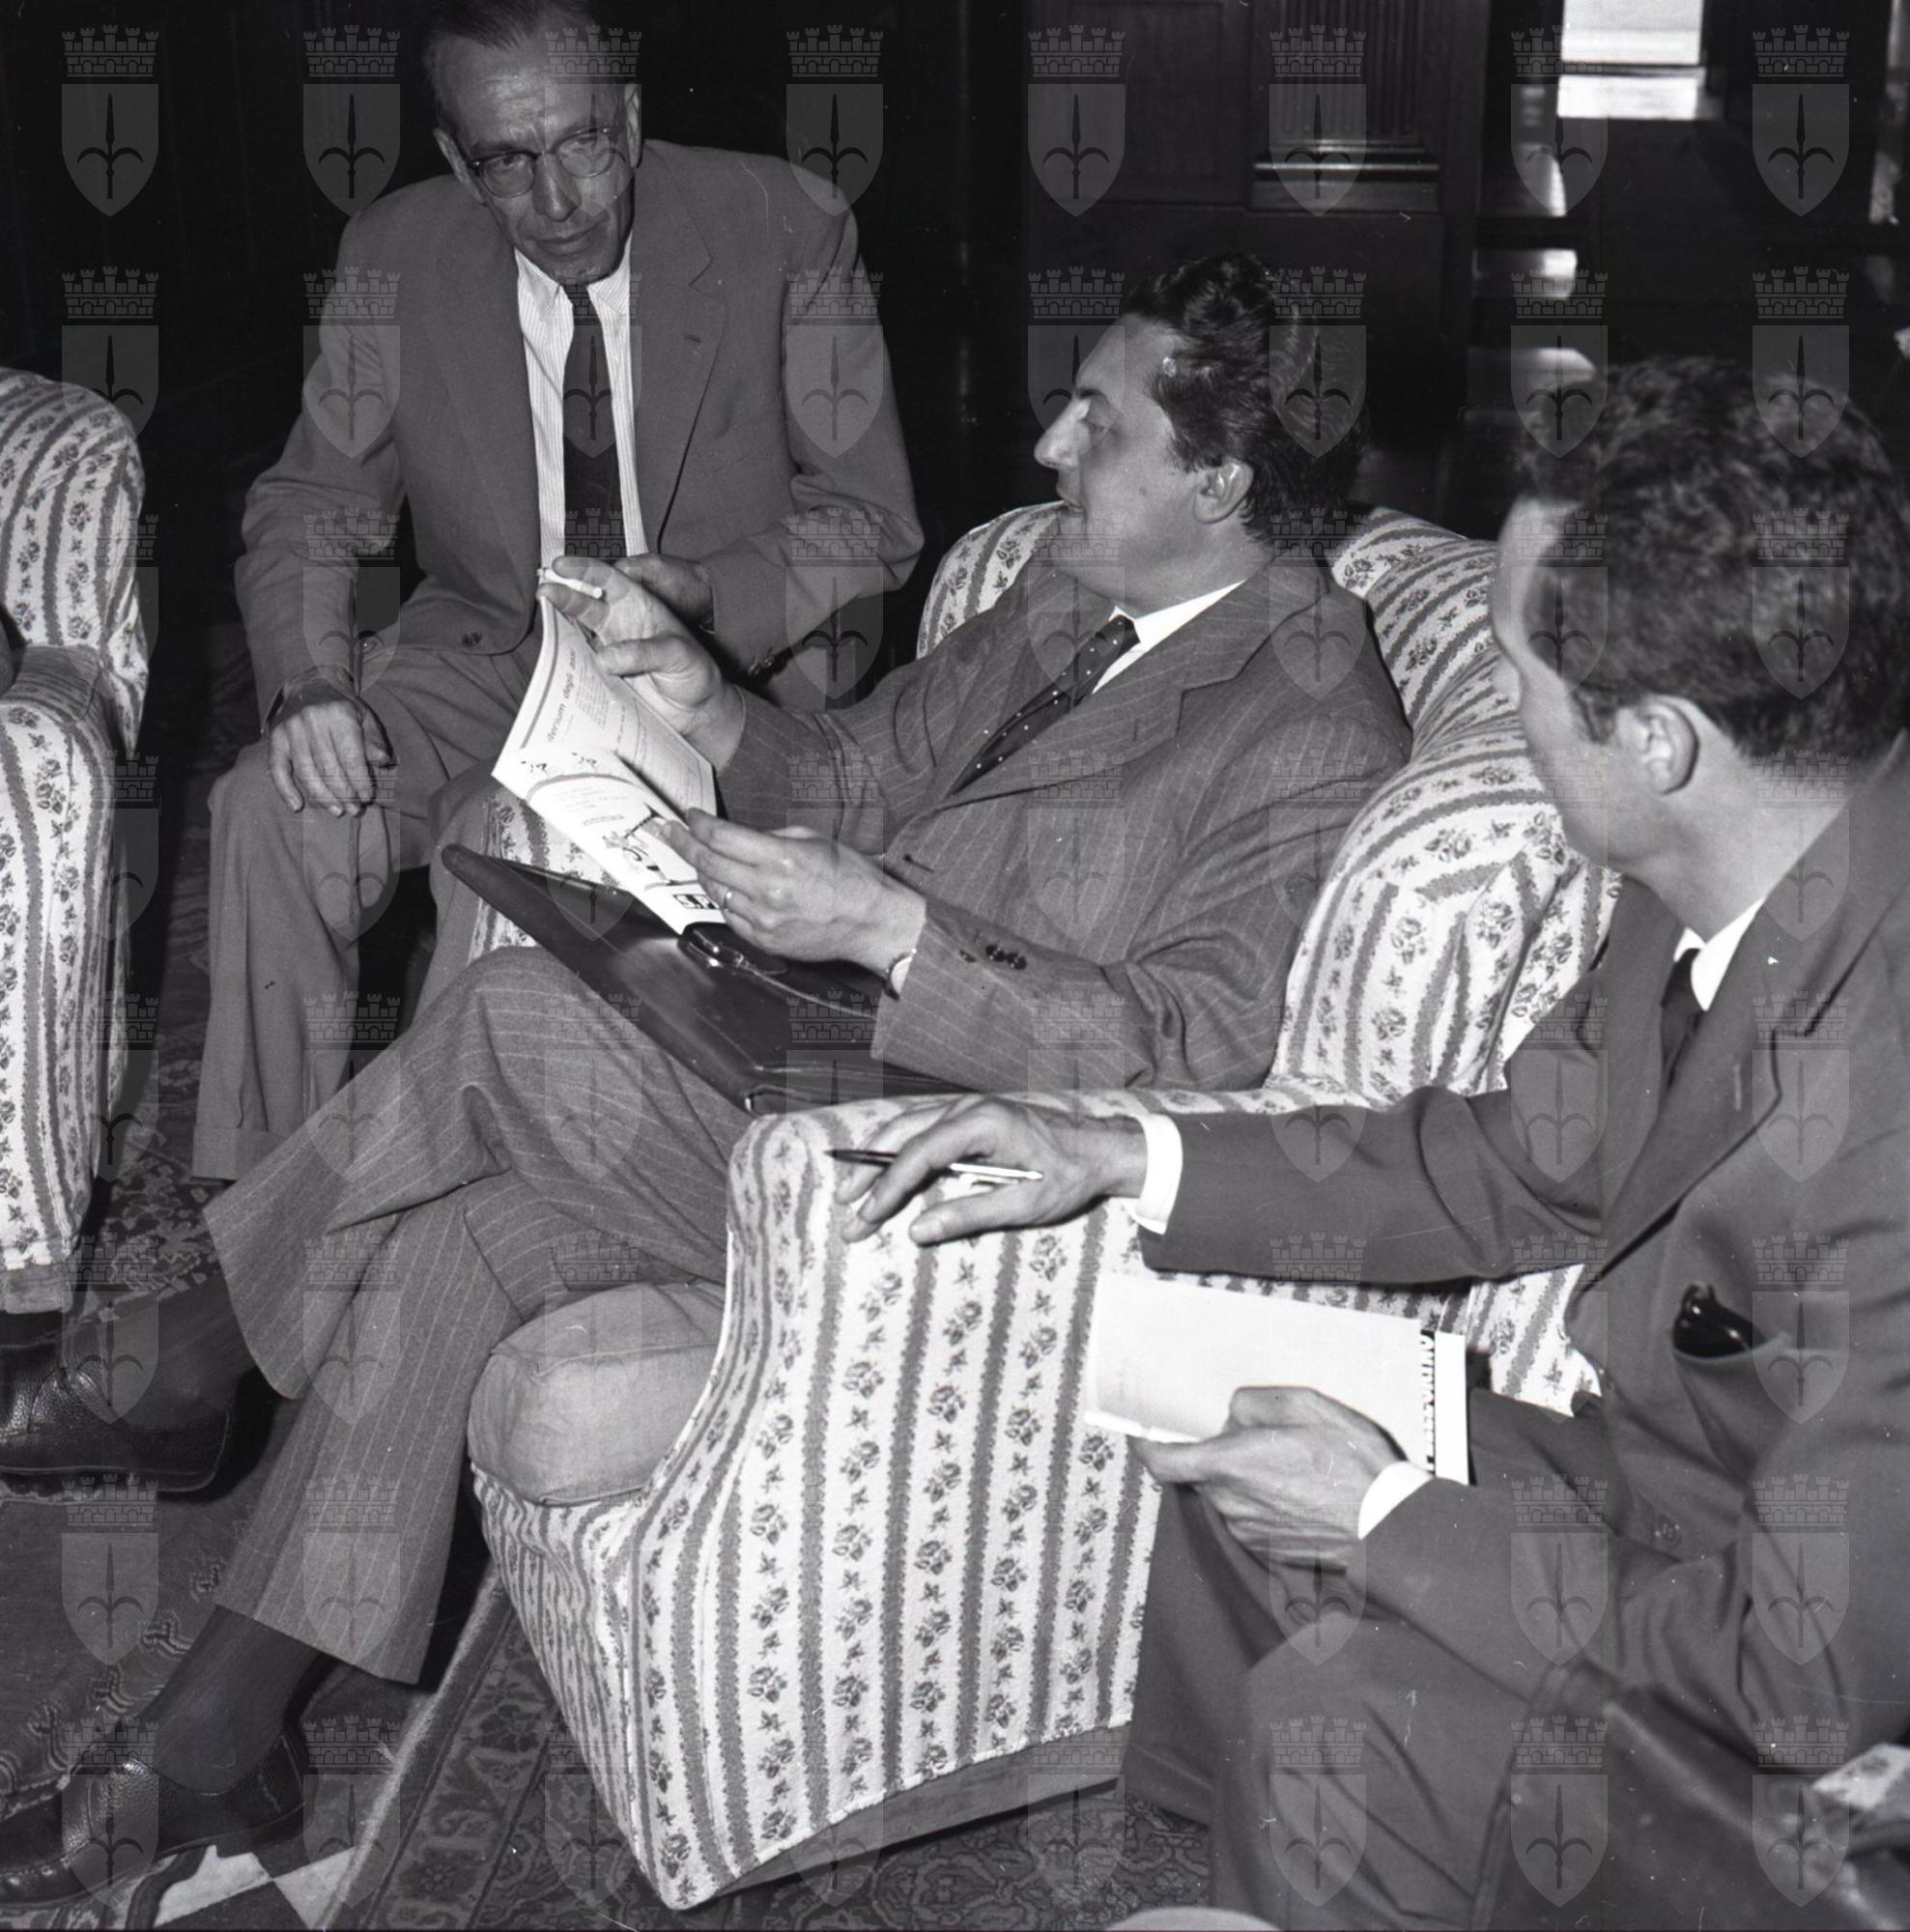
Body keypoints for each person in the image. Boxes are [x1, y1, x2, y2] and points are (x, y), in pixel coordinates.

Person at [0, 250, 1411, 1902]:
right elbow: (865, 765)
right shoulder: (1063, 586)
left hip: (959, 1190)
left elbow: (1190, 1045)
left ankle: (179, 1361)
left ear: (1221, 481)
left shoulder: (1312, 718)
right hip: (814, 1071)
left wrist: (899, 935)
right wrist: (705, 703)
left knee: (509, 1022)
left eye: (1096, 423)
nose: (1046, 445)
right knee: (456, 1235)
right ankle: (213, 1746)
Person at [837, 357, 1910, 1927]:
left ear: (1659, 742)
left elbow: (1803, 1675)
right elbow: (1516, 1160)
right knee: (1250, 1459)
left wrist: (1387, 1517)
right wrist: (1121, 1151)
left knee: (1333, 1721)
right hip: (1692, 1530)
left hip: (1822, 1743)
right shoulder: (1735, 863)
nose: (1504, 715)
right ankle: (1237, 1891)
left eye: (1519, 671)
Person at [191, 0, 922, 1181]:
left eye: (583, 143)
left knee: (499, 833)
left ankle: (454, 1196)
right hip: (488, 646)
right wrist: (313, 683)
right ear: (456, 162)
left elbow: (871, 517)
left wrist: (702, 594)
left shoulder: (784, 220)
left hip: (711, 677)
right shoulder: (396, 250)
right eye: (508, 162)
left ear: (628, 119)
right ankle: (272, 1208)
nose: (559, 200)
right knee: (271, 807)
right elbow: (313, 499)